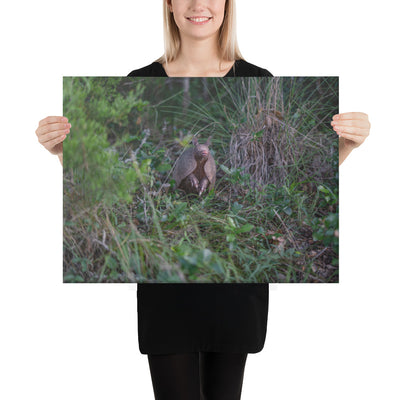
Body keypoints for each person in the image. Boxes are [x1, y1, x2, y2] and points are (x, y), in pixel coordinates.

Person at [35, 1, 370, 399]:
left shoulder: (258, 80)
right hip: (167, 299)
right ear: (170, 6)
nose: (199, 4)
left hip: (235, 298)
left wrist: (345, 148)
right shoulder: (139, 79)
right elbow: (109, 184)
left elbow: (279, 173)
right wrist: (63, 152)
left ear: (228, 7)